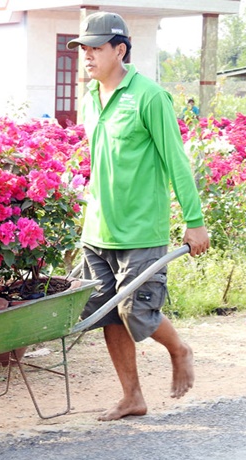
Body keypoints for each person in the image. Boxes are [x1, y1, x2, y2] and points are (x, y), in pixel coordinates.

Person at [67, 12, 210, 421]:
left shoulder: (149, 97)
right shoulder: (90, 99)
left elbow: (176, 162)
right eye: (84, 49)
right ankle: (133, 397)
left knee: (137, 312)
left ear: (120, 49)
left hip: (141, 230)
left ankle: (178, 348)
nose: (88, 57)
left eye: (96, 48)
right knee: (108, 313)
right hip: (98, 230)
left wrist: (194, 220)